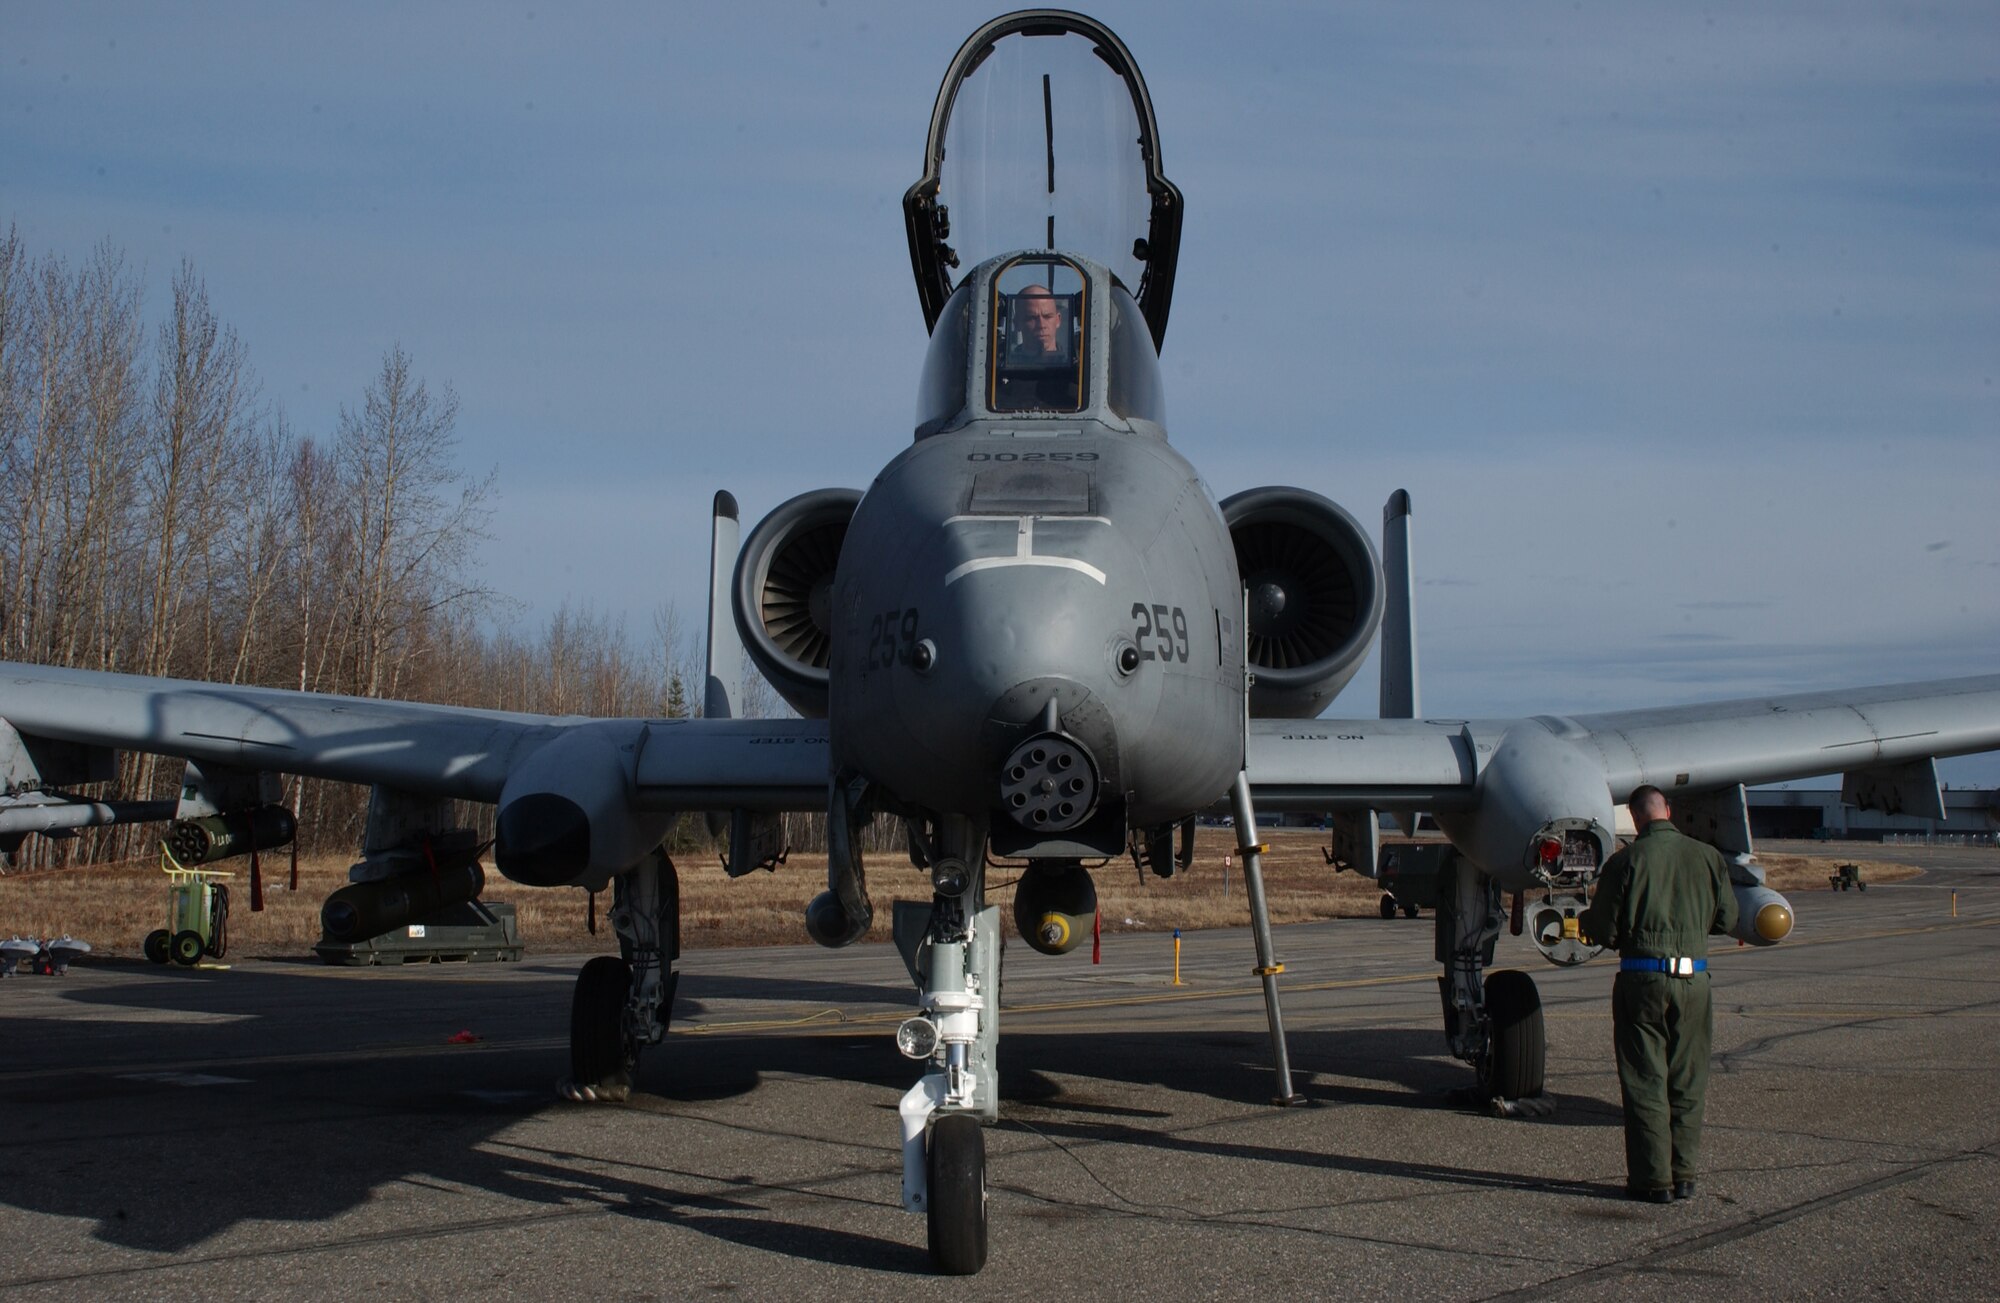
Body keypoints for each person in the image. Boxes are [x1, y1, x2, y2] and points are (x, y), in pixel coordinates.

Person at [1578, 784, 1737, 1204]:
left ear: (1634, 816)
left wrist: (1588, 924)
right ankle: (1683, 1176)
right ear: (1667, 809)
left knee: (1646, 1081)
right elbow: (1728, 919)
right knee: (1687, 1081)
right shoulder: (1708, 858)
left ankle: (1652, 1182)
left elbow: (1604, 930)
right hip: (1695, 980)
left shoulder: (1625, 862)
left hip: (1642, 980)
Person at [1015, 284, 1064, 357]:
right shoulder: (999, 365)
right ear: (1017, 323)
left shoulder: (1080, 365)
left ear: (1058, 320)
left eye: (1047, 316)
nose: (1041, 325)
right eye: (1032, 318)